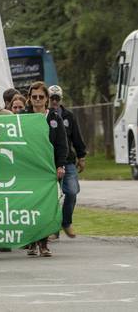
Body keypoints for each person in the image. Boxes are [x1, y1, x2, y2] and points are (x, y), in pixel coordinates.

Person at [26, 81, 67, 257]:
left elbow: (61, 144)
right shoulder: (23, 117)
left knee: (47, 206)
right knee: (29, 205)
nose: (37, 100)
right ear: (29, 99)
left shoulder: (54, 118)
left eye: (41, 97)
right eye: (34, 97)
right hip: (28, 168)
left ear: (47, 99)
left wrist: (60, 165)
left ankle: (43, 244)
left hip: (48, 168)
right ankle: (32, 242)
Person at [47, 85, 86, 239]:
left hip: (68, 160)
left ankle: (66, 222)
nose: (55, 101)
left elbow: (76, 137)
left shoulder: (69, 116)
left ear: (61, 99)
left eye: (57, 98)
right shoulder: (44, 116)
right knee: (52, 197)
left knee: (72, 191)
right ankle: (52, 229)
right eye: (52, 98)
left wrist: (81, 156)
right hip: (48, 162)